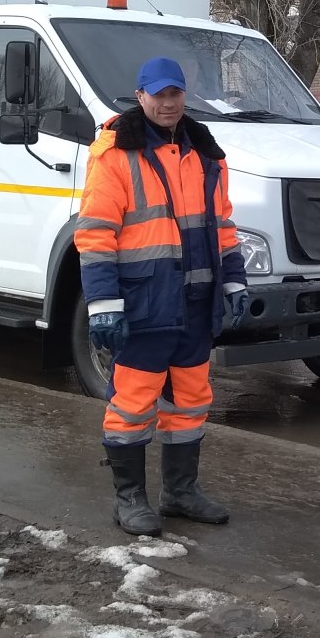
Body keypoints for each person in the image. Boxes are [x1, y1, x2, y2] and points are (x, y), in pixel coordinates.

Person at [75, 56, 250, 537]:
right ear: (141, 97)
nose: (168, 102)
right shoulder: (115, 155)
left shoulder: (207, 156)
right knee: (132, 403)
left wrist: (234, 280)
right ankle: (128, 498)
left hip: (196, 304)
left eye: (175, 93)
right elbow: (94, 235)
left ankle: (180, 492)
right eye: (159, 94)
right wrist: (103, 305)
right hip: (145, 303)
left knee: (191, 401)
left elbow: (223, 226)